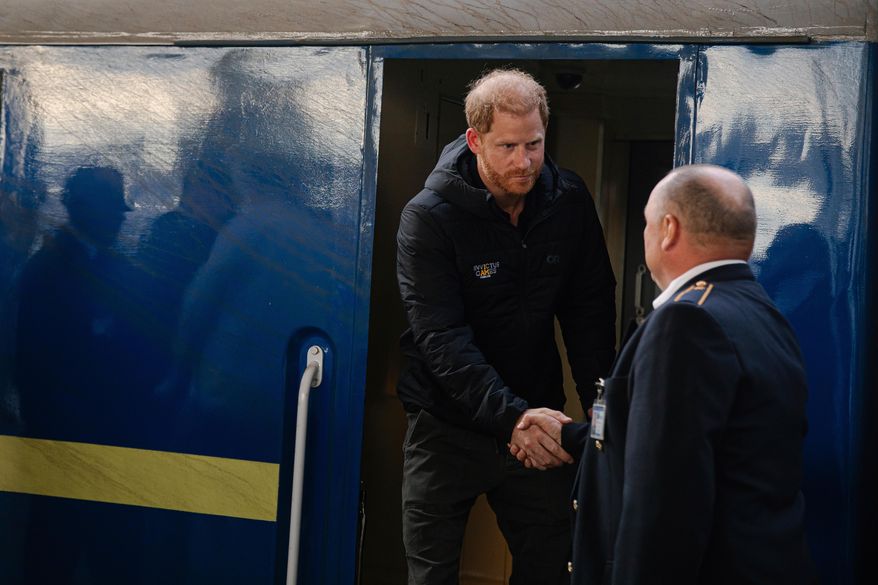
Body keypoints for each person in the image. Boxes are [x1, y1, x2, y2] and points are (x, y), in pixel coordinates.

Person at [515, 164, 817, 584]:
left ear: (669, 229)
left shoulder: (686, 324)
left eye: (646, 223)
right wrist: (566, 434)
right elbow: (696, 440)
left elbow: (665, 503)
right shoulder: (761, 313)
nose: (645, 233)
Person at [396, 68, 616, 584]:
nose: (525, 162)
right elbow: (442, 340)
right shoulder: (427, 218)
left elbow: (589, 310)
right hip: (445, 425)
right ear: (475, 140)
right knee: (431, 575)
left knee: (551, 567)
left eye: (535, 144)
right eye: (509, 146)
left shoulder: (568, 200)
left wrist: (597, 408)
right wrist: (512, 418)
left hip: (537, 418)